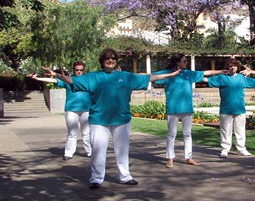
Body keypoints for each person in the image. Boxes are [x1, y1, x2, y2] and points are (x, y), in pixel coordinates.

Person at [45, 47, 181, 189]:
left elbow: (149, 77)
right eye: (107, 58)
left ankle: (125, 176)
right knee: (98, 149)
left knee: (122, 149)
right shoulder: (93, 77)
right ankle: (96, 179)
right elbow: (71, 80)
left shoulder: (126, 76)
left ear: (116, 61)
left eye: (113, 59)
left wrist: (170, 75)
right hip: (99, 120)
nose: (110, 61)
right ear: (102, 61)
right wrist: (56, 75)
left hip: (121, 119)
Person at [153, 53, 226, 169]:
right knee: (172, 134)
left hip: (187, 108)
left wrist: (221, 71)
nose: (186, 63)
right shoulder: (167, 73)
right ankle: (170, 158)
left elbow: (206, 72)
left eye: (186, 61)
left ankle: (189, 157)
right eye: (184, 61)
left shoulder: (189, 74)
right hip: (173, 108)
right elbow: (150, 76)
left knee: (187, 134)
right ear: (177, 62)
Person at [30, 61, 91, 160]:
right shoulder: (68, 80)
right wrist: (37, 78)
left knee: (87, 133)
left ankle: (90, 152)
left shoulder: (88, 80)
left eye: (81, 70)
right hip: (71, 109)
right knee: (72, 132)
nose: (79, 72)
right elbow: (54, 81)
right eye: (77, 70)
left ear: (84, 70)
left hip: (86, 110)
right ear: (73, 70)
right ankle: (68, 153)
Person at [205, 58, 255, 158]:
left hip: (239, 109)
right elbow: (207, 80)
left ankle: (241, 149)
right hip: (226, 109)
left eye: (235, 66)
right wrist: (195, 76)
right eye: (231, 66)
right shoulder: (222, 78)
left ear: (237, 67)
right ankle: (225, 149)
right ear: (227, 67)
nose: (233, 68)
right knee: (225, 131)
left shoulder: (241, 78)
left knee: (240, 130)